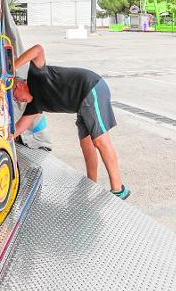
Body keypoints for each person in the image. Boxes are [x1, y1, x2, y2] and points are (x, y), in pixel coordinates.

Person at [12, 44, 130, 199]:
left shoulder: (36, 76)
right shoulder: (34, 106)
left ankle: (118, 189)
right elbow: (18, 129)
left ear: (20, 84)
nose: (16, 100)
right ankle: (91, 182)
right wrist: (1, 137)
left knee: (100, 141)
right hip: (80, 104)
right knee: (86, 143)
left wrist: (13, 67)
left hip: (90, 88)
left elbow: (38, 49)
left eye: (14, 94)